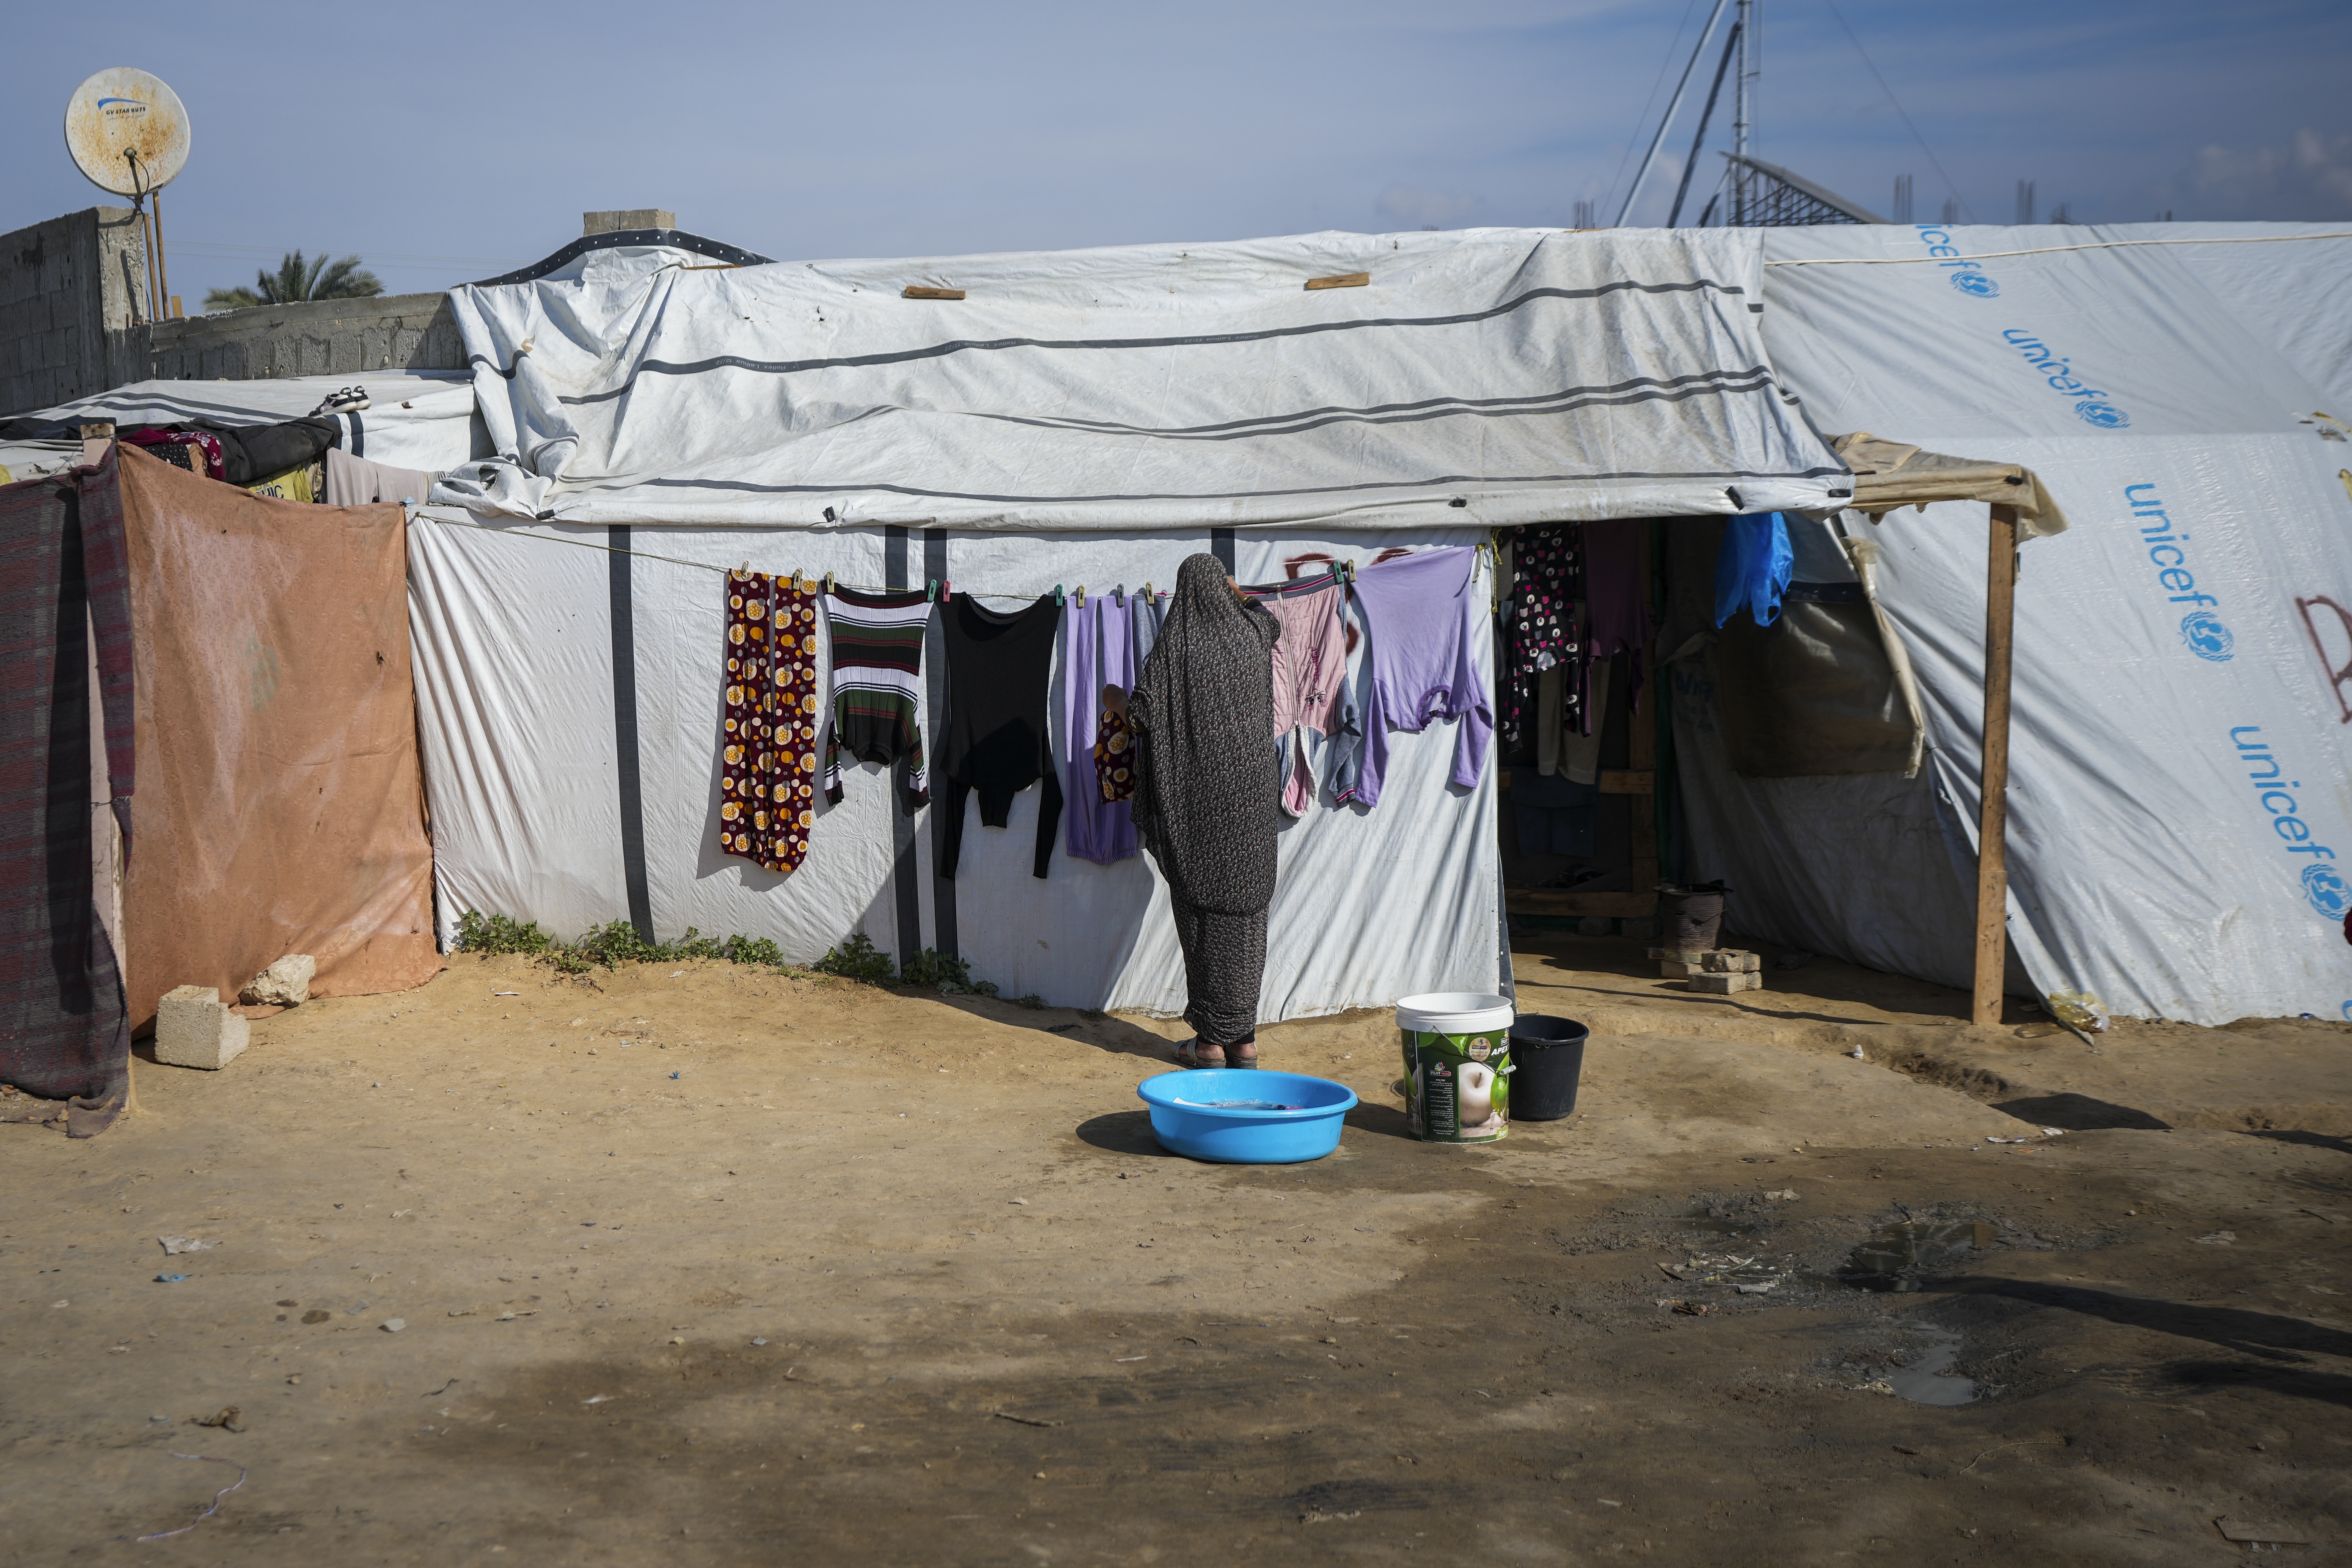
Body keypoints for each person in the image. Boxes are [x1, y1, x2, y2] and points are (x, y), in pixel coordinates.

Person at [1129, 554, 1281, 1069]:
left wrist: (1114, 703)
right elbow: (1271, 620)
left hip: (1198, 809)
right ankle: (1245, 1042)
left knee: (1202, 921)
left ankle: (1213, 1044)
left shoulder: (1179, 643)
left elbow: (1143, 713)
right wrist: (1238, 594)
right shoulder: (1253, 638)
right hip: (1254, 807)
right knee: (1248, 923)